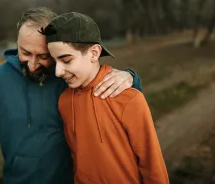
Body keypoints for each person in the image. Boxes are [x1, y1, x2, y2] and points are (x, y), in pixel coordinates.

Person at [0, 7, 142, 184]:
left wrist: (130, 77)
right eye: (25, 53)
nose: (33, 65)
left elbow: (102, 84)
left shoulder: (68, 79)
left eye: (43, 56)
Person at [43, 12, 169, 184]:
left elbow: (152, 164)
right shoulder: (64, 101)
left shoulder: (128, 98)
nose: (58, 72)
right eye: (54, 62)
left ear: (94, 53)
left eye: (66, 60)